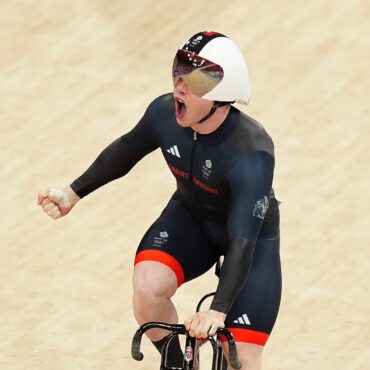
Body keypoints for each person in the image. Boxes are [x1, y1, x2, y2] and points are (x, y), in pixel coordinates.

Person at [38, 31, 281, 370]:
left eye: (196, 81)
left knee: (241, 355)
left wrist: (217, 310)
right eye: (179, 71)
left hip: (249, 243)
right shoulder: (163, 113)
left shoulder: (251, 153)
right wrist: (72, 192)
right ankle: (180, 365)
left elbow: (242, 239)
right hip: (192, 219)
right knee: (148, 288)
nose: (180, 85)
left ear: (222, 97)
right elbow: (125, 151)